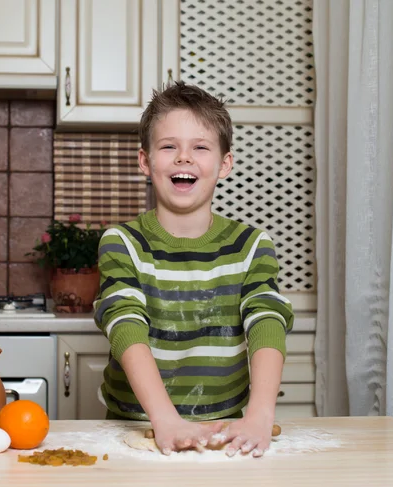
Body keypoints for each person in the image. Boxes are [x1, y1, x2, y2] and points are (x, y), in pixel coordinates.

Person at [93, 81, 294, 458]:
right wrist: (164, 419)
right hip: (138, 427)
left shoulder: (251, 246)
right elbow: (124, 322)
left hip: (226, 431)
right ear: (145, 161)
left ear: (224, 164)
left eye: (200, 147)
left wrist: (260, 414)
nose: (184, 158)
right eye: (169, 146)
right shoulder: (122, 242)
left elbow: (267, 319)